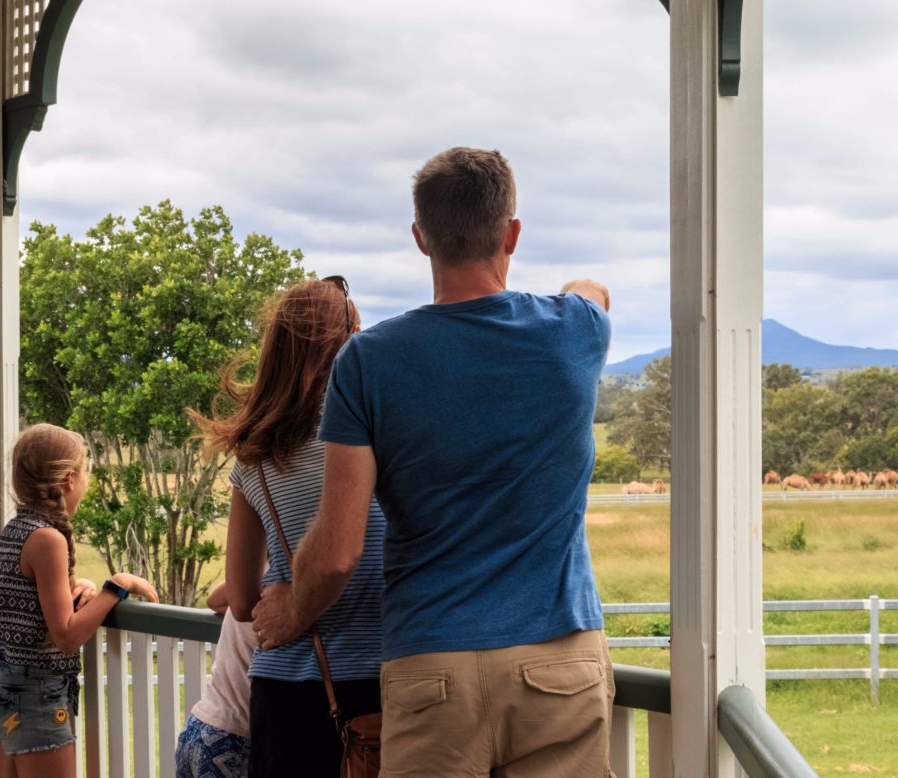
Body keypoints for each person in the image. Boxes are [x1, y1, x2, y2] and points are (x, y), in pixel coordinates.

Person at [255, 147, 614, 776]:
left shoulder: (368, 361)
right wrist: (567, 295)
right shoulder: (573, 330)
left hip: (431, 666)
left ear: (421, 238)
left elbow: (338, 551)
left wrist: (293, 609)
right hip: (558, 656)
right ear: (513, 233)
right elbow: (594, 290)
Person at [190, 278, 386, 777]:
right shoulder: (377, 431)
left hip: (281, 692)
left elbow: (240, 599)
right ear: (350, 339)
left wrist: (289, 588)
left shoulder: (254, 457)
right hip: (377, 686)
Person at [0, 423, 158, 778]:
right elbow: (65, 636)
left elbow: (40, 606)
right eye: (86, 475)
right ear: (69, 479)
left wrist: (83, 590)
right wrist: (116, 586)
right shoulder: (48, 539)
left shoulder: (17, 529)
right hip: (34, 695)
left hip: (7, 685)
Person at [175, 584, 254, 777]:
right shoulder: (287, 600)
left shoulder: (257, 578)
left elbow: (215, 600)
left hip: (199, 728)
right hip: (232, 738)